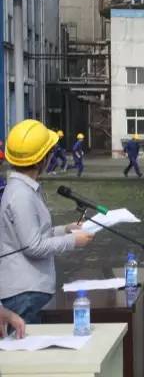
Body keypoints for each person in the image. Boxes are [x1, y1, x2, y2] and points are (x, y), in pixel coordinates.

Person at [0, 120, 94, 323]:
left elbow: (36, 234)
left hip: (29, 290)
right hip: (25, 293)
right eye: (49, 152)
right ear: (41, 160)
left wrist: (66, 229)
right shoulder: (21, 195)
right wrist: (73, 241)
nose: (52, 155)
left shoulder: (24, 189)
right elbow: (33, 247)